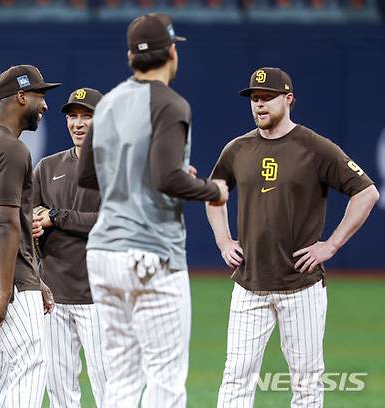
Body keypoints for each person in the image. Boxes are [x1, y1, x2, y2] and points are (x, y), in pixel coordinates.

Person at [76, 13, 228, 408]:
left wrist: (150, 176)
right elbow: (167, 180)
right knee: (165, 379)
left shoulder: (107, 102)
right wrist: (214, 189)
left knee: (122, 377)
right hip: (150, 253)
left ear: (131, 56)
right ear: (171, 52)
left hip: (103, 253)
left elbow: (87, 175)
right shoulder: (170, 103)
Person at [207, 67, 379, 408]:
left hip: (301, 286)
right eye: (254, 98)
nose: (259, 105)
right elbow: (215, 193)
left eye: (267, 97)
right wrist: (224, 241)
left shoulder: (314, 147)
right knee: (236, 377)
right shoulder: (237, 148)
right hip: (249, 283)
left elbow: (366, 192)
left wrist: (331, 244)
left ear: (288, 99)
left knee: (306, 381)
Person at [0, 64, 60, 408]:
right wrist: (6, 292)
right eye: (39, 95)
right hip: (8, 280)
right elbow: (5, 225)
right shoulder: (14, 150)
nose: (44, 105)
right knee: (31, 364)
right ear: (20, 97)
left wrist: (38, 280)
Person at [32, 87, 108, 408]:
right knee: (60, 391)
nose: (78, 123)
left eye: (87, 116)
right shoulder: (47, 167)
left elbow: (112, 221)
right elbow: (29, 217)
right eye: (73, 116)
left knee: (111, 389)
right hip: (54, 296)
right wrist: (33, 223)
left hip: (101, 296)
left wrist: (55, 217)